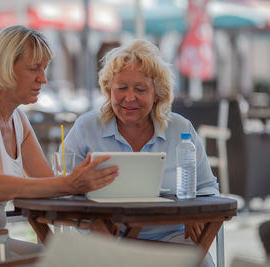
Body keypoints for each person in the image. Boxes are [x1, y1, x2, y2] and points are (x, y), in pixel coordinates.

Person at [0, 25, 118, 257]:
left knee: (71, 260)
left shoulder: (18, 119)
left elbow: (45, 187)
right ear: (5, 68)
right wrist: (69, 184)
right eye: (34, 68)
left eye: (45, 68)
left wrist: (94, 218)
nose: (44, 78)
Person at [63, 39, 219, 266]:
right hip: (103, 241)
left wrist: (197, 213)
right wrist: (89, 223)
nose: (129, 97)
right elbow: (64, 188)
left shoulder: (180, 129)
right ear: (108, 89)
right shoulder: (85, 128)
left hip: (170, 239)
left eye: (140, 89)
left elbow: (207, 188)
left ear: (157, 93)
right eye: (121, 87)